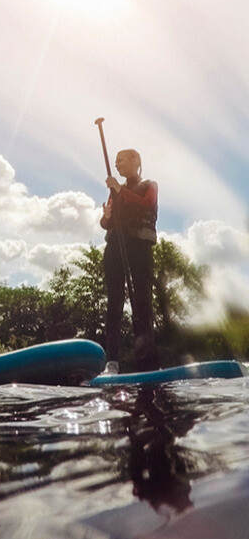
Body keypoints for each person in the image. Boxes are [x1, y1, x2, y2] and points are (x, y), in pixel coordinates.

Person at [100, 148, 158, 374]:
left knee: (142, 303)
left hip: (139, 248)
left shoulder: (149, 185)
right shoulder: (116, 192)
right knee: (114, 303)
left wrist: (119, 189)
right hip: (115, 248)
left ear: (136, 161)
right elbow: (106, 223)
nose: (117, 165)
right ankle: (112, 362)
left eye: (121, 160)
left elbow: (147, 204)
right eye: (115, 162)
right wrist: (106, 217)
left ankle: (147, 361)